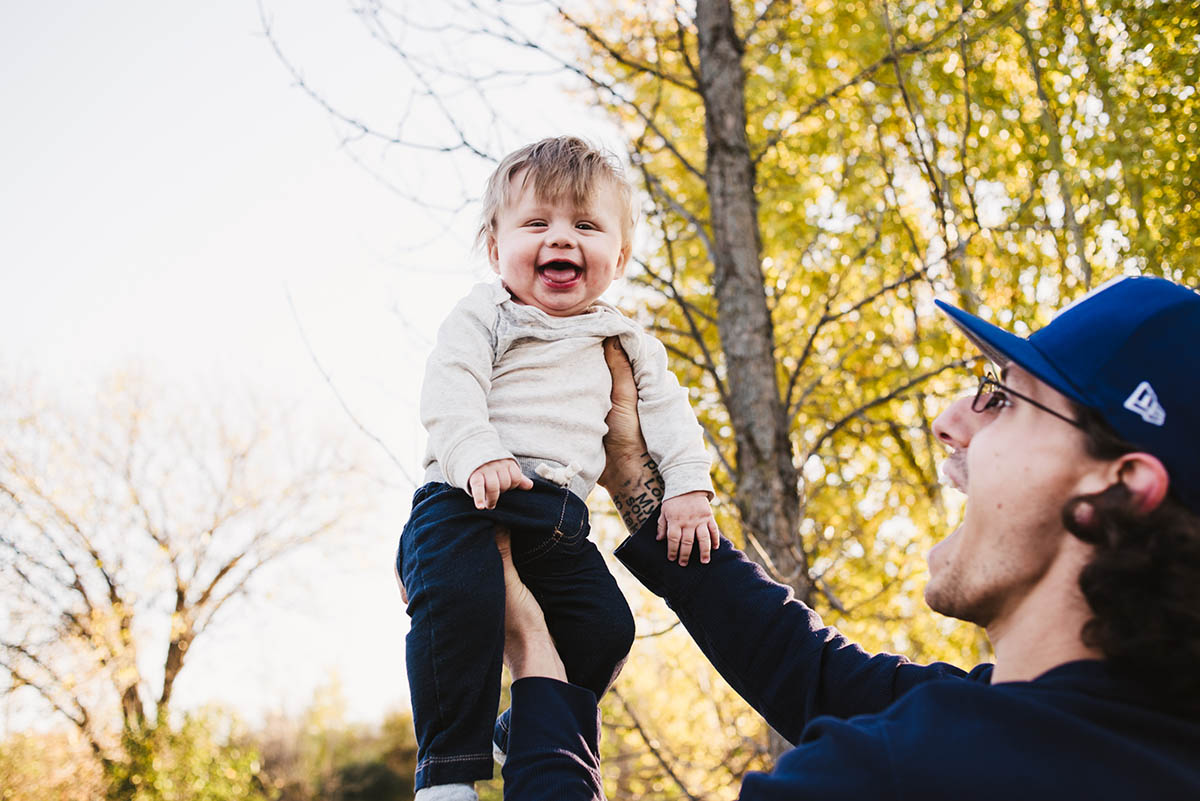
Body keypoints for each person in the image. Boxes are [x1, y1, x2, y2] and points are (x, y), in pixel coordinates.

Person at [494, 275, 1200, 799]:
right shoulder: (1142, 734)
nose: (950, 417)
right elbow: (817, 675)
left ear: (1122, 485)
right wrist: (641, 485)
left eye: (1003, 398)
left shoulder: (916, 771)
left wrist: (535, 658)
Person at [397, 136, 719, 801]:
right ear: (495, 248)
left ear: (620, 257)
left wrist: (688, 486)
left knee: (606, 628)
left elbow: (667, 412)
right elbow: (449, 387)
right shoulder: (486, 312)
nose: (560, 239)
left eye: (586, 225)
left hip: (561, 518)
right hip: (466, 499)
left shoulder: (623, 336)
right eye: (537, 223)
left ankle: (530, 729)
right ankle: (449, 772)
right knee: (460, 608)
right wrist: (477, 451)